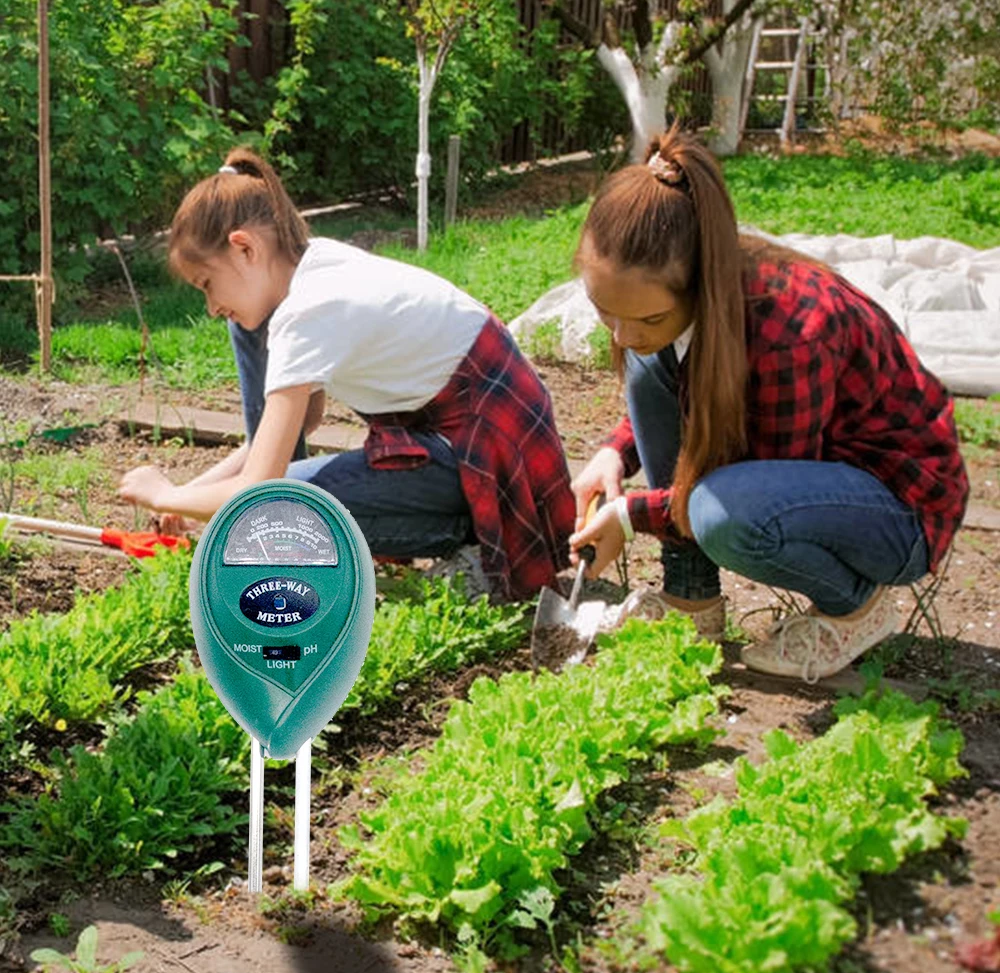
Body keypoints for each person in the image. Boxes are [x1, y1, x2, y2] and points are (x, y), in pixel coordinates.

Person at [569, 127, 969, 682]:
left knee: (723, 514)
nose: (623, 332)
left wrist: (633, 516)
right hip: (816, 482)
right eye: (605, 310)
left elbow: (753, 487)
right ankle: (691, 602)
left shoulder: (789, 331)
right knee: (646, 365)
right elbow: (674, 385)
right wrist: (616, 452)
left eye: (649, 318)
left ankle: (853, 607)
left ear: (700, 285)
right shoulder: (687, 313)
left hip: (898, 507)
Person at [118, 148, 575, 600]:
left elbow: (257, 490)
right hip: (480, 447)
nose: (213, 307)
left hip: (491, 467)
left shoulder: (307, 312)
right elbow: (296, 428)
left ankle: (477, 554)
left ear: (244, 248)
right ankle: (464, 538)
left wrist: (164, 495)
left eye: (207, 285)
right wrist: (190, 493)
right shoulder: (317, 265)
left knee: (280, 511)